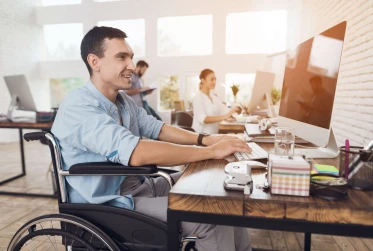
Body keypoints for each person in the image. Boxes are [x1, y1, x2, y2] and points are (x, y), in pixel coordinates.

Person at [51, 26, 252, 251]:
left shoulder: (123, 101)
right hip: (109, 203)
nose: (131, 66)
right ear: (94, 61)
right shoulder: (79, 106)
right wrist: (209, 153)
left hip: (139, 185)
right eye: (121, 57)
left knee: (223, 201)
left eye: (130, 57)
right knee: (210, 217)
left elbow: (158, 128)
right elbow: (136, 152)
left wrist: (205, 140)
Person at [192, 69, 242, 134]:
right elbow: (203, 119)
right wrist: (225, 116)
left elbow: (225, 111)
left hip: (213, 136)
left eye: (215, 79)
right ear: (203, 80)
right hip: (201, 136)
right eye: (212, 79)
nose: (214, 82)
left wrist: (236, 108)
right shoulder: (198, 98)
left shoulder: (214, 97)